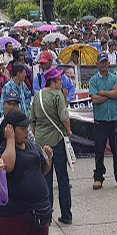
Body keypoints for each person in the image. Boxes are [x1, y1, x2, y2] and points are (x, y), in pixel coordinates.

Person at [0, 111, 53, 235]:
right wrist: (10, 140)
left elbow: (43, 170)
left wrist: (48, 158)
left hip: (38, 211)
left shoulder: (32, 146)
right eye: (22, 128)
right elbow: (8, 166)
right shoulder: (3, 150)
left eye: (27, 127)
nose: (27, 131)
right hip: (14, 213)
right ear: (10, 130)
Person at [30, 67, 73, 225]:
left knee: (45, 179)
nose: (62, 82)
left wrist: (38, 137)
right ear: (53, 82)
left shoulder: (37, 95)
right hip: (57, 141)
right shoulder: (58, 95)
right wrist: (68, 131)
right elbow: (64, 117)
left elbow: (32, 121)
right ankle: (66, 215)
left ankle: (45, 216)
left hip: (41, 141)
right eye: (60, 80)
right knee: (62, 179)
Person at [89, 52, 117, 190]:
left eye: (105, 62)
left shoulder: (115, 78)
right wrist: (111, 94)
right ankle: (98, 178)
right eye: (101, 62)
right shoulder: (93, 80)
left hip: (113, 120)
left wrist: (103, 92)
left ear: (108, 64)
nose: (104, 64)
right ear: (97, 64)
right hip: (100, 120)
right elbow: (94, 99)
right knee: (99, 150)